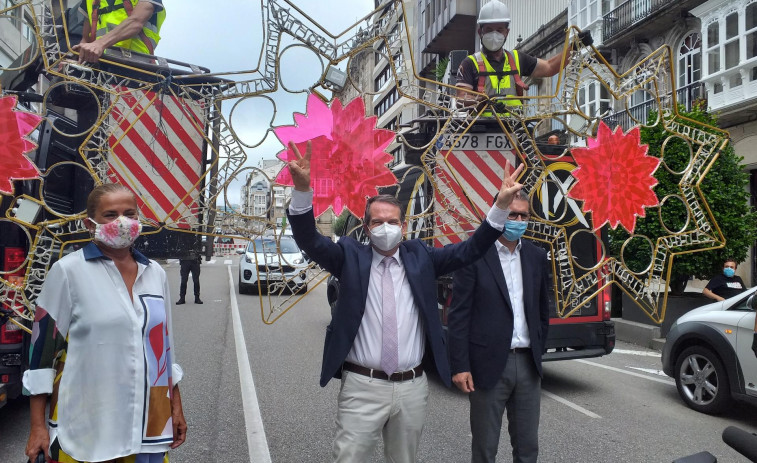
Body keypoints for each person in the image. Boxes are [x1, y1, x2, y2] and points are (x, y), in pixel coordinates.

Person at [284, 140, 524, 463]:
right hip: (362, 387)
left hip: (412, 388)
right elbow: (311, 241)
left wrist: (499, 206)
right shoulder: (349, 257)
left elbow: (470, 249)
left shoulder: (420, 257)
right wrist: (302, 192)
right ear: (367, 229)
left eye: (393, 221)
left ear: (404, 226)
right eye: (379, 222)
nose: (386, 228)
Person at [24, 183, 187, 463]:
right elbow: (41, 355)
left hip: (148, 420)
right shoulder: (68, 271)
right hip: (89, 420)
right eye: (111, 214)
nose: (122, 221)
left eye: (130, 213)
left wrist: (176, 406)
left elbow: (163, 349)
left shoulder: (155, 273)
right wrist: (37, 427)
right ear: (91, 223)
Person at [448, 191, 550, 463]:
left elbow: (542, 311)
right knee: (485, 448)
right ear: (499, 213)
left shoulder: (537, 257)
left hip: (528, 365)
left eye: (523, 215)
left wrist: (539, 351)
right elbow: (459, 315)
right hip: (488, 364)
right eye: (511, 214)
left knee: (528, 447)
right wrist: (460, 365)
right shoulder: (475, 255)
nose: (517, 220)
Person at [455, 0, 590, 113]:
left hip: (516, 131)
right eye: (489, 30)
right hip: (481, 133)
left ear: (507, 32)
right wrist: (485, 101)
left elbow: (549, 67)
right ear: (480, 32)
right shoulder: (470, 63)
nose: (494, 34)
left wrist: (574, 47)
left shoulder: (517, 59)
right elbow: (461, 99)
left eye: (499, 30)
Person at [73, 0, 165, 63]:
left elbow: (136, 22)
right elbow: (86, 39)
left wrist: (100, 44)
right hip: (101, 64)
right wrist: (77, 59)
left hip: (136, 64)